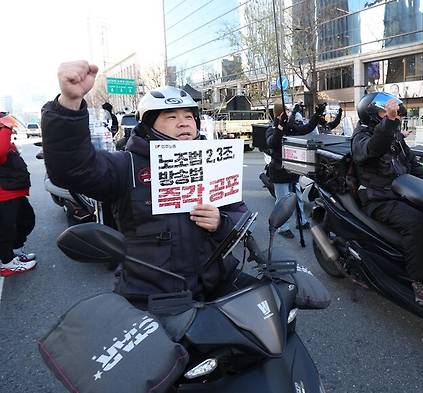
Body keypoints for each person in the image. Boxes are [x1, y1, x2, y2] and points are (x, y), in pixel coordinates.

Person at [42, 61, 248, 304]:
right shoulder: (126, 165)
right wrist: (68, 104)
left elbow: (240, 216)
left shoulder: (214, 162)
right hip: (150, 299)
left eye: (189, 117)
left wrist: (220, 223)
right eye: (171, 116)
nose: (184, 123)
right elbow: (72, 170)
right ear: (148, 126)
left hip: (215, 290)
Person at [351, 92, 423, 306]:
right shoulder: (361, 137)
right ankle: (422, 286)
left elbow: (411, 163)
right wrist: (389, 123)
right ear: (372, 114)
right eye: (384, 112)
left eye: (393, 113)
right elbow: (373, 149)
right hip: (378, 198)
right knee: (416, 222)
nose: (392, 116)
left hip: (400, 192)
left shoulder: (395, 135)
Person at [266, 102, 321, 238]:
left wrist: (317, 115)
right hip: (279, 170)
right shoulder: (271, 129)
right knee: (282, 200)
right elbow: (273, 142)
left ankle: (301, 221)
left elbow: (306, 128)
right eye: (286, 111)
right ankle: (282, 227)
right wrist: (279, 126)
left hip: (293, 168)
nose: (289, 113)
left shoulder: (290, 127)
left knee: (298, 198)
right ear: (280, 113)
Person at [0, 113, 37, 277]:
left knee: (26, 219)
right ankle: (7, 262)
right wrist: (6, 127)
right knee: (6, 228)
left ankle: (14, 252)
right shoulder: (3, 128)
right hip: (4, 192)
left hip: (12, 189)